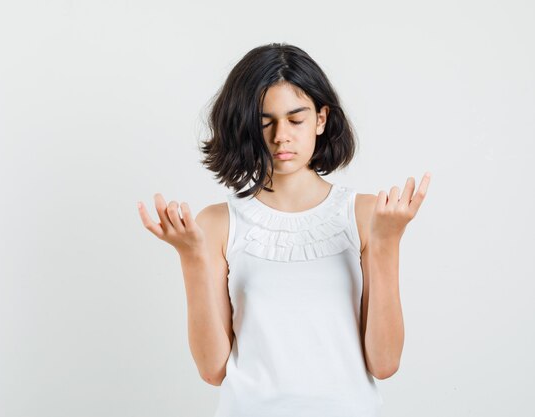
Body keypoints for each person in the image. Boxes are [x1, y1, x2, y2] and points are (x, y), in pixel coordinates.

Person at [137, 42, 431, 417]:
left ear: (321, 119)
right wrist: (191, 256)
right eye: (265, 121)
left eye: (296, 119)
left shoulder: (368, 215)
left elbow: (384, 363)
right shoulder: (216, 224)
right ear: (245, 125)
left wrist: (387, 241)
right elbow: (212, 370)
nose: (281, 137)